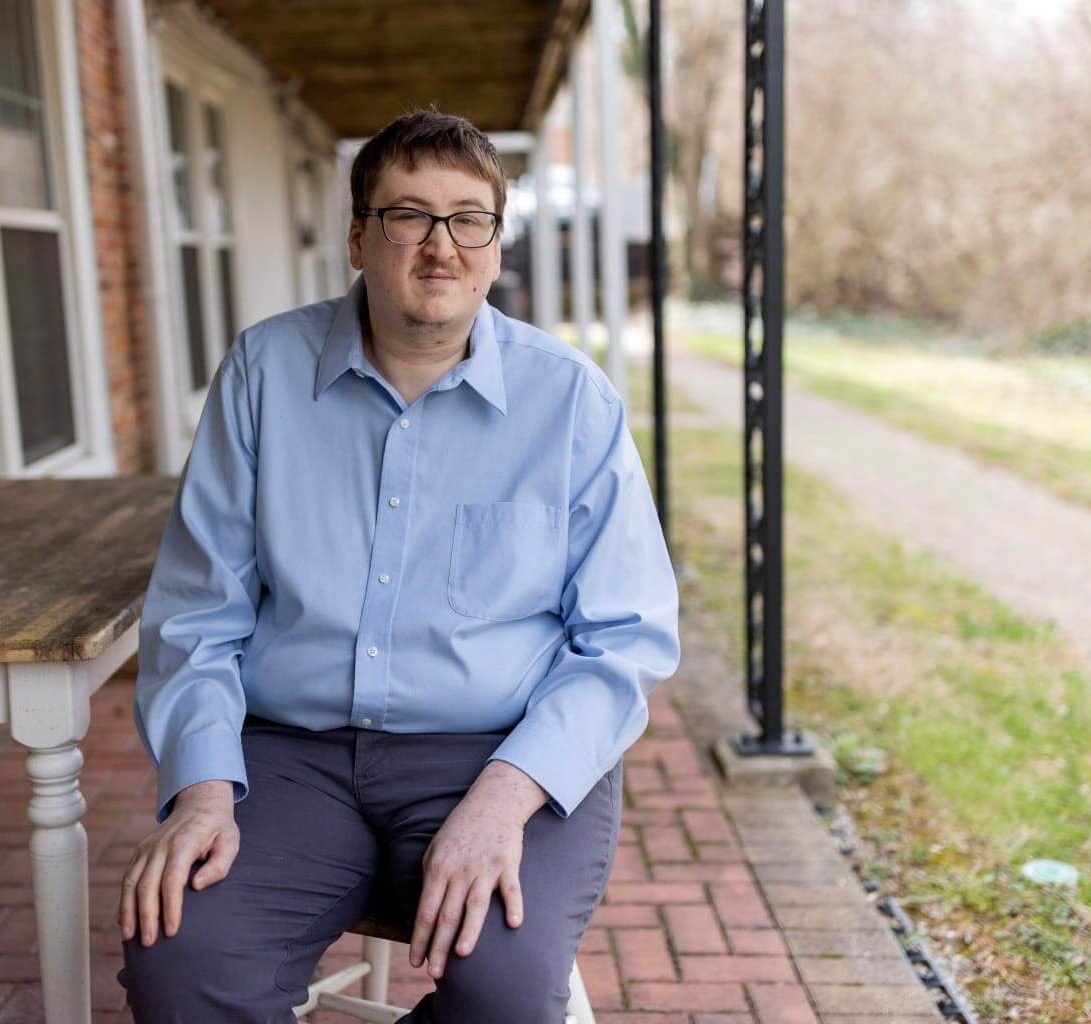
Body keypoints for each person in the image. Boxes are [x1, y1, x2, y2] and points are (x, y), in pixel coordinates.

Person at [115, 107, 680, 1022]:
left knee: (502, 991)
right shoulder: (264, 374)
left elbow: (625, 641)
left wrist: (503, 801)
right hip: (291, 759)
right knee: (181, 961)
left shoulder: (571, 402)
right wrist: (202, 791)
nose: (440, 245)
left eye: (469, 219)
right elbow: (195, 611)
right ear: (357, 237)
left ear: (496, 246)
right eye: (408, 215)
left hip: (499, 753)